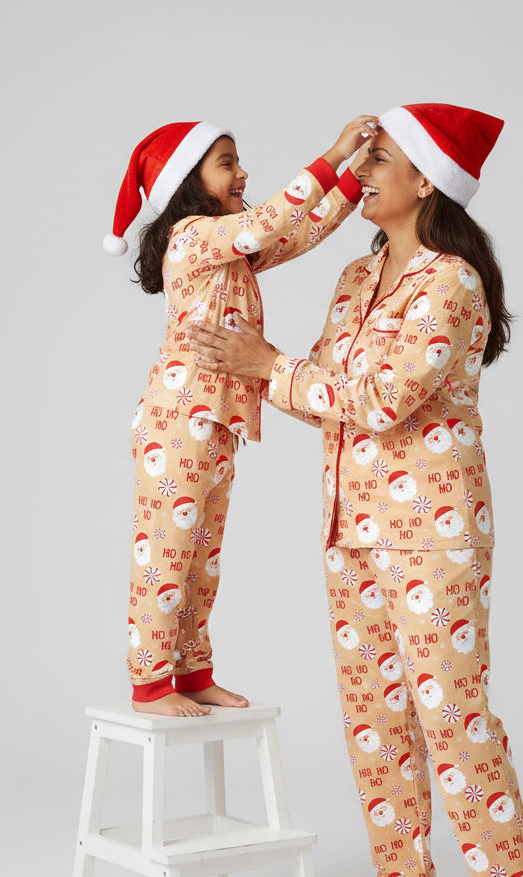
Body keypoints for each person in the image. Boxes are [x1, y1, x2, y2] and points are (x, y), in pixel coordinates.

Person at [189, 103, 523, 877]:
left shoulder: (452, 283)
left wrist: (268, 366)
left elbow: (383, 400)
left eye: (379, 159)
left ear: (426, 180)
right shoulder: (355, 277)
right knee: (372, 715)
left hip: (435, 534)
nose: (363, 170)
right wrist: (256, 371)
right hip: (350, 528)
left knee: (451, 712)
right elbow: (326, 398)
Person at [104, 116, 374, 716]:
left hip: (217, 422)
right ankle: (150, 683)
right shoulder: (193, 237)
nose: (243, 171)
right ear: (188, 182)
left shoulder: (232, 255)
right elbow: (269, 220)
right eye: (227, 162)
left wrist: (354, 180)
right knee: (166, 552)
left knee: (201, 558)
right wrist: (332, 154)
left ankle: (193, 672)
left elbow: (298, 233)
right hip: (177, 421)